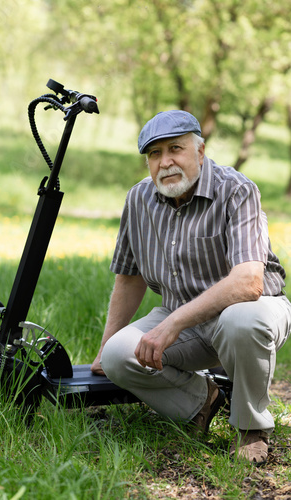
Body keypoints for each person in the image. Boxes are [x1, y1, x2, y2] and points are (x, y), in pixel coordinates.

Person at [91, 110, 291, 464]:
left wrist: (172, 324)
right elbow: (129, 276)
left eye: (175, 149)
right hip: (181, 316)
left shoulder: (237, 190)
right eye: (155, 154)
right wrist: (106, 345)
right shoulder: (139, 200)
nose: (165, 162)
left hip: (251, 310)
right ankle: (202, 403)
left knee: (241, 322)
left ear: (200, 151)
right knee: (118, 355)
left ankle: (251, 427)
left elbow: (248, 283)